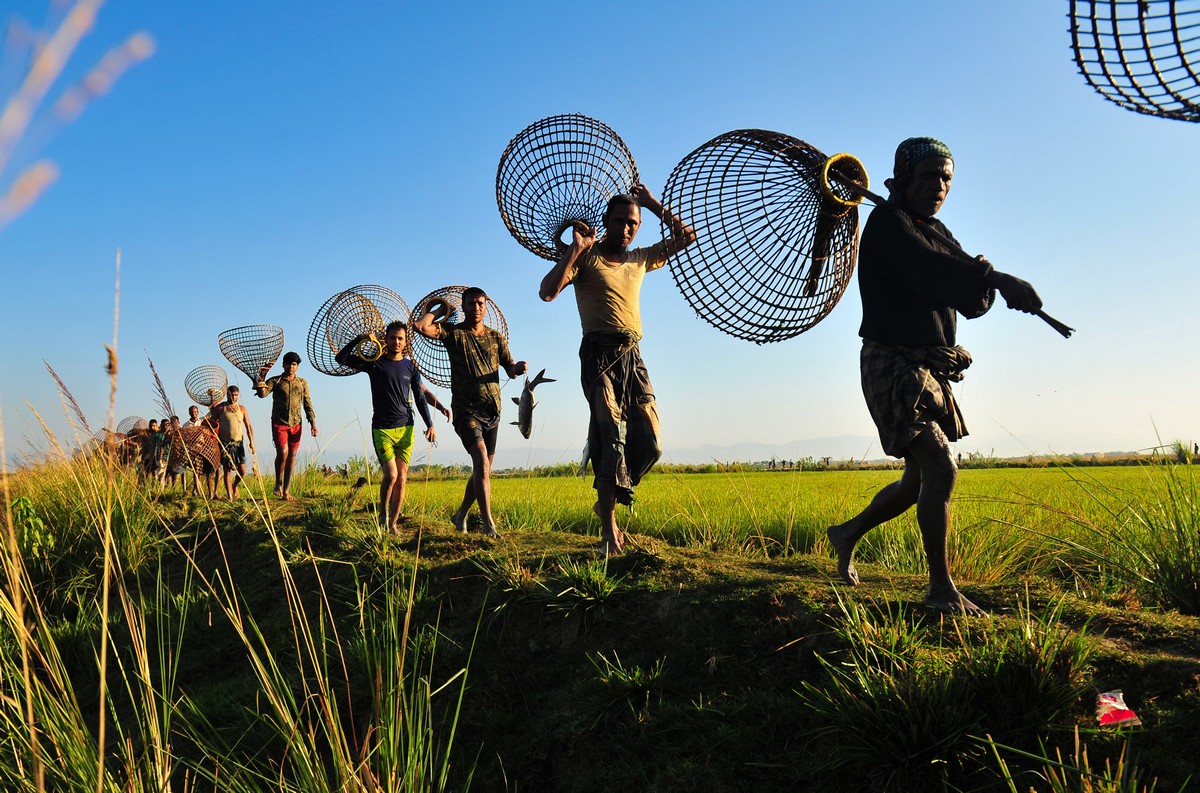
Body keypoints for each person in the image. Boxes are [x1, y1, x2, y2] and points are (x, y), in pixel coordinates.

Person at [825, 137, 1042, 616]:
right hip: (892, 363)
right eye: (928, 177)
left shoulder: (934, 229)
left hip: (927, 366)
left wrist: (985, 275)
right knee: (941, 468)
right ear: (902, 180)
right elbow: (933, 272)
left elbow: (966, 295)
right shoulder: (886, 226)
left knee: (915, 478)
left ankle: (846, 533)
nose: (938, 187)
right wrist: (996, 278)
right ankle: (941, 589)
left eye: (946, 179)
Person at [539, 184, 697, 556]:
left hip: (633, 355)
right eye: (621, 222)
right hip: (597, 353)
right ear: (606, 223)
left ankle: (612, 491)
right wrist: (576, 249)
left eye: (634, 223)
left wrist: (652, 204)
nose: (628, 229)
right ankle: (608, 527)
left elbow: (685, 236)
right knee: (610, 436)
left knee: (652, 443)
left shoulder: (640, 258)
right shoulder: (586, 258)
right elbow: (547, 292)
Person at [414, 287, 527, 537]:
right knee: (480, 460)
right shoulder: (454, 334)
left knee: (483, 469)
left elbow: (509, 368)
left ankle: (461, 513)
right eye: (471, 304)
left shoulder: (496, 338)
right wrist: (441, 309)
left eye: (480, 304)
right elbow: (421, 327)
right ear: (463, 307)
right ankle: (488, 524)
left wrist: (517, 368)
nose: (476, 308)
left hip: (493, 410)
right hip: (467, 411)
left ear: (485, 307)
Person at [335, 321, 439, 532]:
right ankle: (382, 513)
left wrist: (430, 424)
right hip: (382, 428)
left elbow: (419, 398)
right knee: (390, 475)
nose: (397, 342)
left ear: (405, 341)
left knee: (401, 479)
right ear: (386, 339)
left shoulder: (411, 367)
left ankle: (393, 523)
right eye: (393, 338)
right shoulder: (375, 363)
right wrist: (360, 339)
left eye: (400, 338)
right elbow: (341, 358)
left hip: (406, 428)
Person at [255, 351, 317, 501]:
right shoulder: (275, 381)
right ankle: (278, 483)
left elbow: (307, 403)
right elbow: (263, 394)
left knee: (292, 457)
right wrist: (261, 377)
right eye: (288, 363)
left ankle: (286, 492)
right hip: (279, 423)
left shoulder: (302, 383)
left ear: (297, 367)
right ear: (283, 365)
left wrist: (313, 422)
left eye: (294, 364)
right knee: (283, 452)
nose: (291, 366)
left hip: (296, 423)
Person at [207, 385, 256, 499]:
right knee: (227, 470)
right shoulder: (220, 408)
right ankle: (230, 497)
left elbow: (248, 425)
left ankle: (235, 486)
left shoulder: (242, 409)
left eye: (236, 395)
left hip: (238, 444)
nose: (234, 397)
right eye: (231, 395)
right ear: (227, 394)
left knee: (242, 470)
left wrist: (251, 442)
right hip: (225, 444)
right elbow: (211, 423)